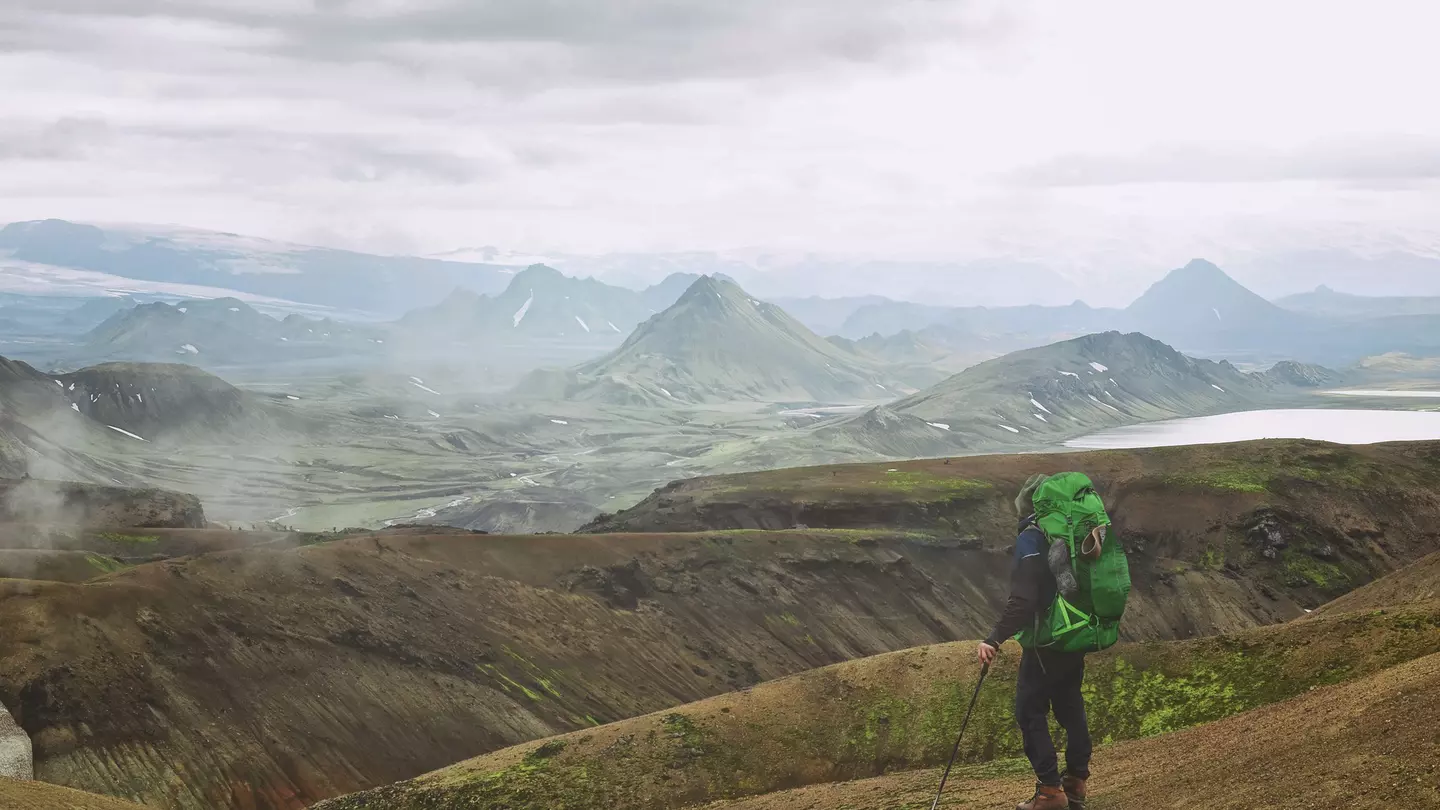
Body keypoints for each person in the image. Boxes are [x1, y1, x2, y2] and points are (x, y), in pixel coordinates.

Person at [977, 473, 1092, 810]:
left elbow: (1024, 601)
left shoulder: (1031, 539)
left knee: (1029, 711)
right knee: (1070, 704)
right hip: (1075, 635)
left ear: (1026, 506)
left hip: (1046, 643)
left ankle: (1050, 792)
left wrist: (994, 638)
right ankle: (1076, 782)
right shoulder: (1069, 532)